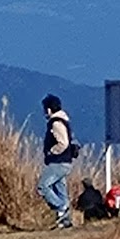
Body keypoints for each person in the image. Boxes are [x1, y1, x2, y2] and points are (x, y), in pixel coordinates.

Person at [36, 94, 77, 229]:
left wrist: (52, 152)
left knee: (43, 186)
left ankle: (61, 207)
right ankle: (64, 221)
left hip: (59, 162)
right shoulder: (64, 120)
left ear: (49, 109)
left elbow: (63, 143)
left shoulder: (56, 123)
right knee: (60, 189)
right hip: (65, 162)